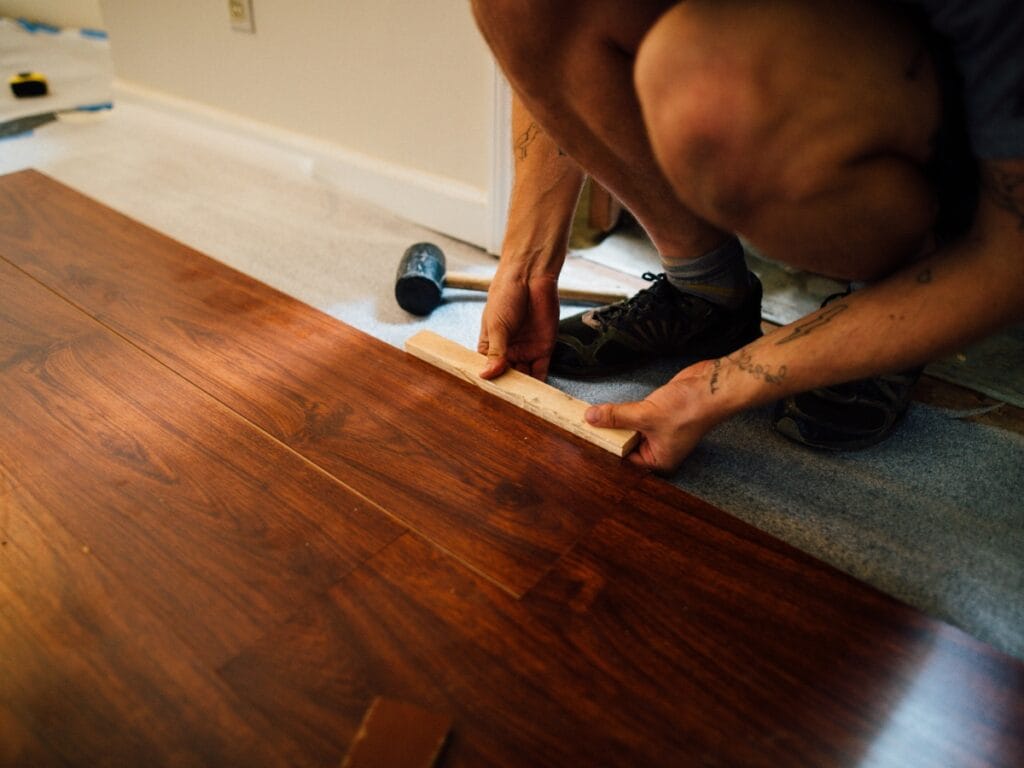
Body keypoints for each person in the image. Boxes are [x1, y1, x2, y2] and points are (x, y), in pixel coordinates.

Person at [469, 0, 1024, 472]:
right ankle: (705, 296)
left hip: (954, 128)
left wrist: (725, 383)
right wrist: (527, 263)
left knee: (708, 88)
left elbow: (1009, 258)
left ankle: (891, 296)